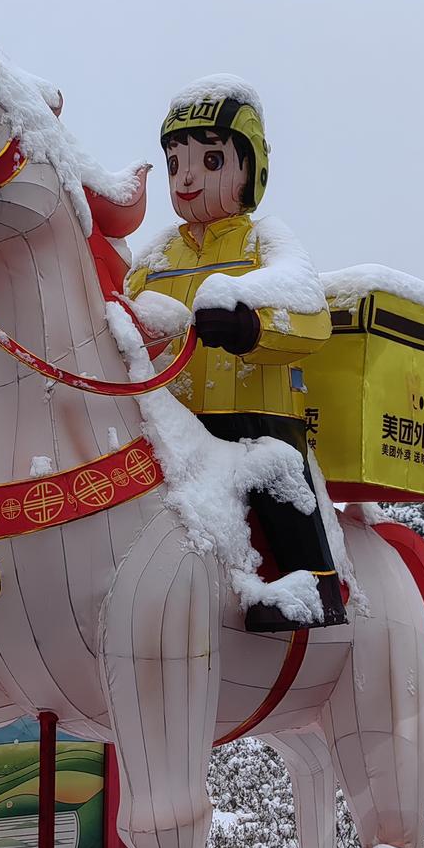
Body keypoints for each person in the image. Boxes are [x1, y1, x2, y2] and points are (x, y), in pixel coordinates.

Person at [126, 82, 346, 632]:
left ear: (250, 169)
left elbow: (310, 310)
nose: (188, 178)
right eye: (175, 163)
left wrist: (251, 323)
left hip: (254, 417)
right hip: (175, 420)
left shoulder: (263, 240)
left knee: (277, 467)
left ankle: (315, 587)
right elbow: (120, 309)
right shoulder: (157, 253)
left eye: (211, 159)